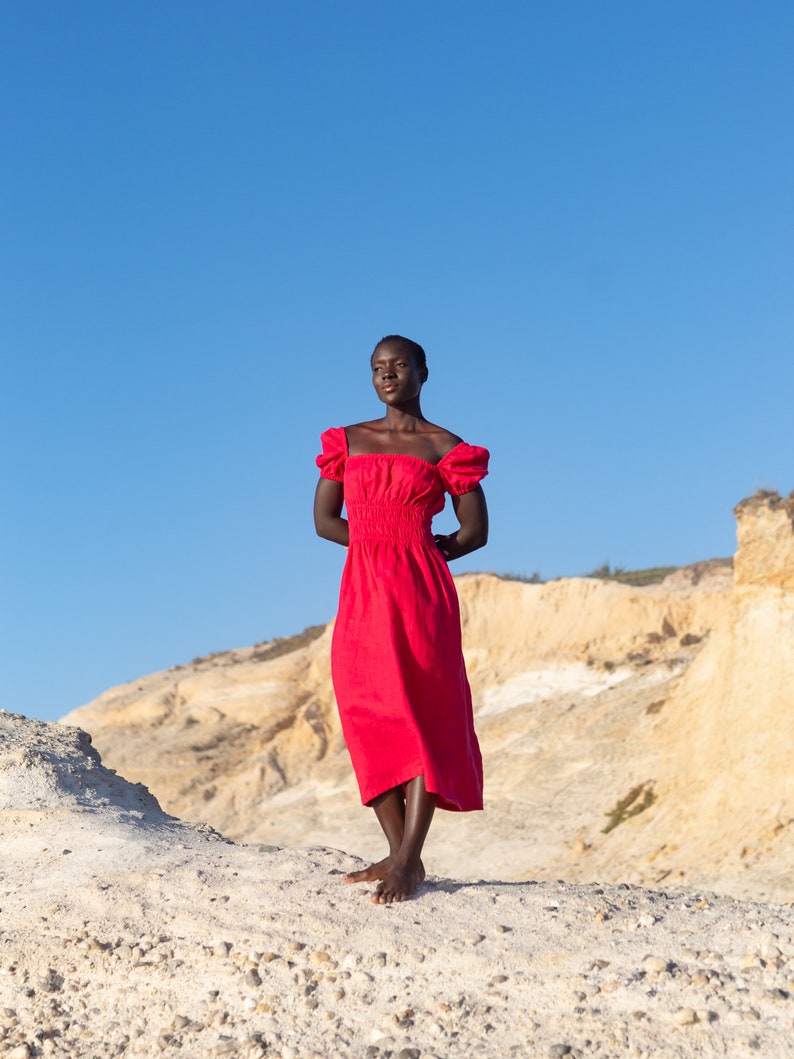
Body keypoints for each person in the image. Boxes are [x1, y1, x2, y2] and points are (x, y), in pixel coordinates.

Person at [313, 335, 489, 904]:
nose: (388, 375)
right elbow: (323, 519)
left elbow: (475, 532)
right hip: (363, 590)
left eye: (399, 366)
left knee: (420, 716)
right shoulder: (349, 440)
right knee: (367, 710)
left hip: (421, 593)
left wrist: (421, 550)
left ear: (422, 372)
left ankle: (410, 861)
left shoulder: (446, 446)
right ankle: (397, 851)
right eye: (377, 368)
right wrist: (373, 545)